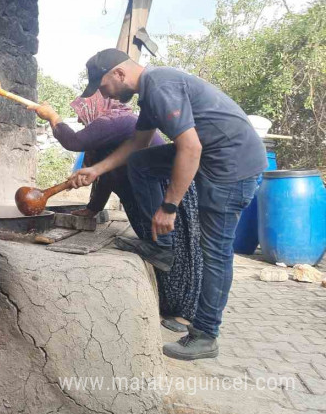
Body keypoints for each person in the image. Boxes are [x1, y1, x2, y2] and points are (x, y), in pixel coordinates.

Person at [70, 48, 266, 360]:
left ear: (119, 74)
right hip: (213, 157)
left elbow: (191, 147)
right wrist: (96, 169)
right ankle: (162, 247)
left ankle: (205, 334)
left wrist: (169, 207)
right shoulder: (150, 93)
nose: (103, 93)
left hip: (230, 167)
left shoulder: (160, 87)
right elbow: (138, 143)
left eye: (103, 86)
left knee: (214, 252)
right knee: (141, 162)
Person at [33, 92, 203, 333]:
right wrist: (93, 209)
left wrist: (52, 116)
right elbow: (104, 178)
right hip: (141, 200)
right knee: (156, 251)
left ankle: (186, 314)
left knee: (178, 252)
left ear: (93, 108)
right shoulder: (105, 137)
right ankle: (168, 306)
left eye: (82, 117)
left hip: (165, 194)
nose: (82, 123)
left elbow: (73, 142)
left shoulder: (114, 122)